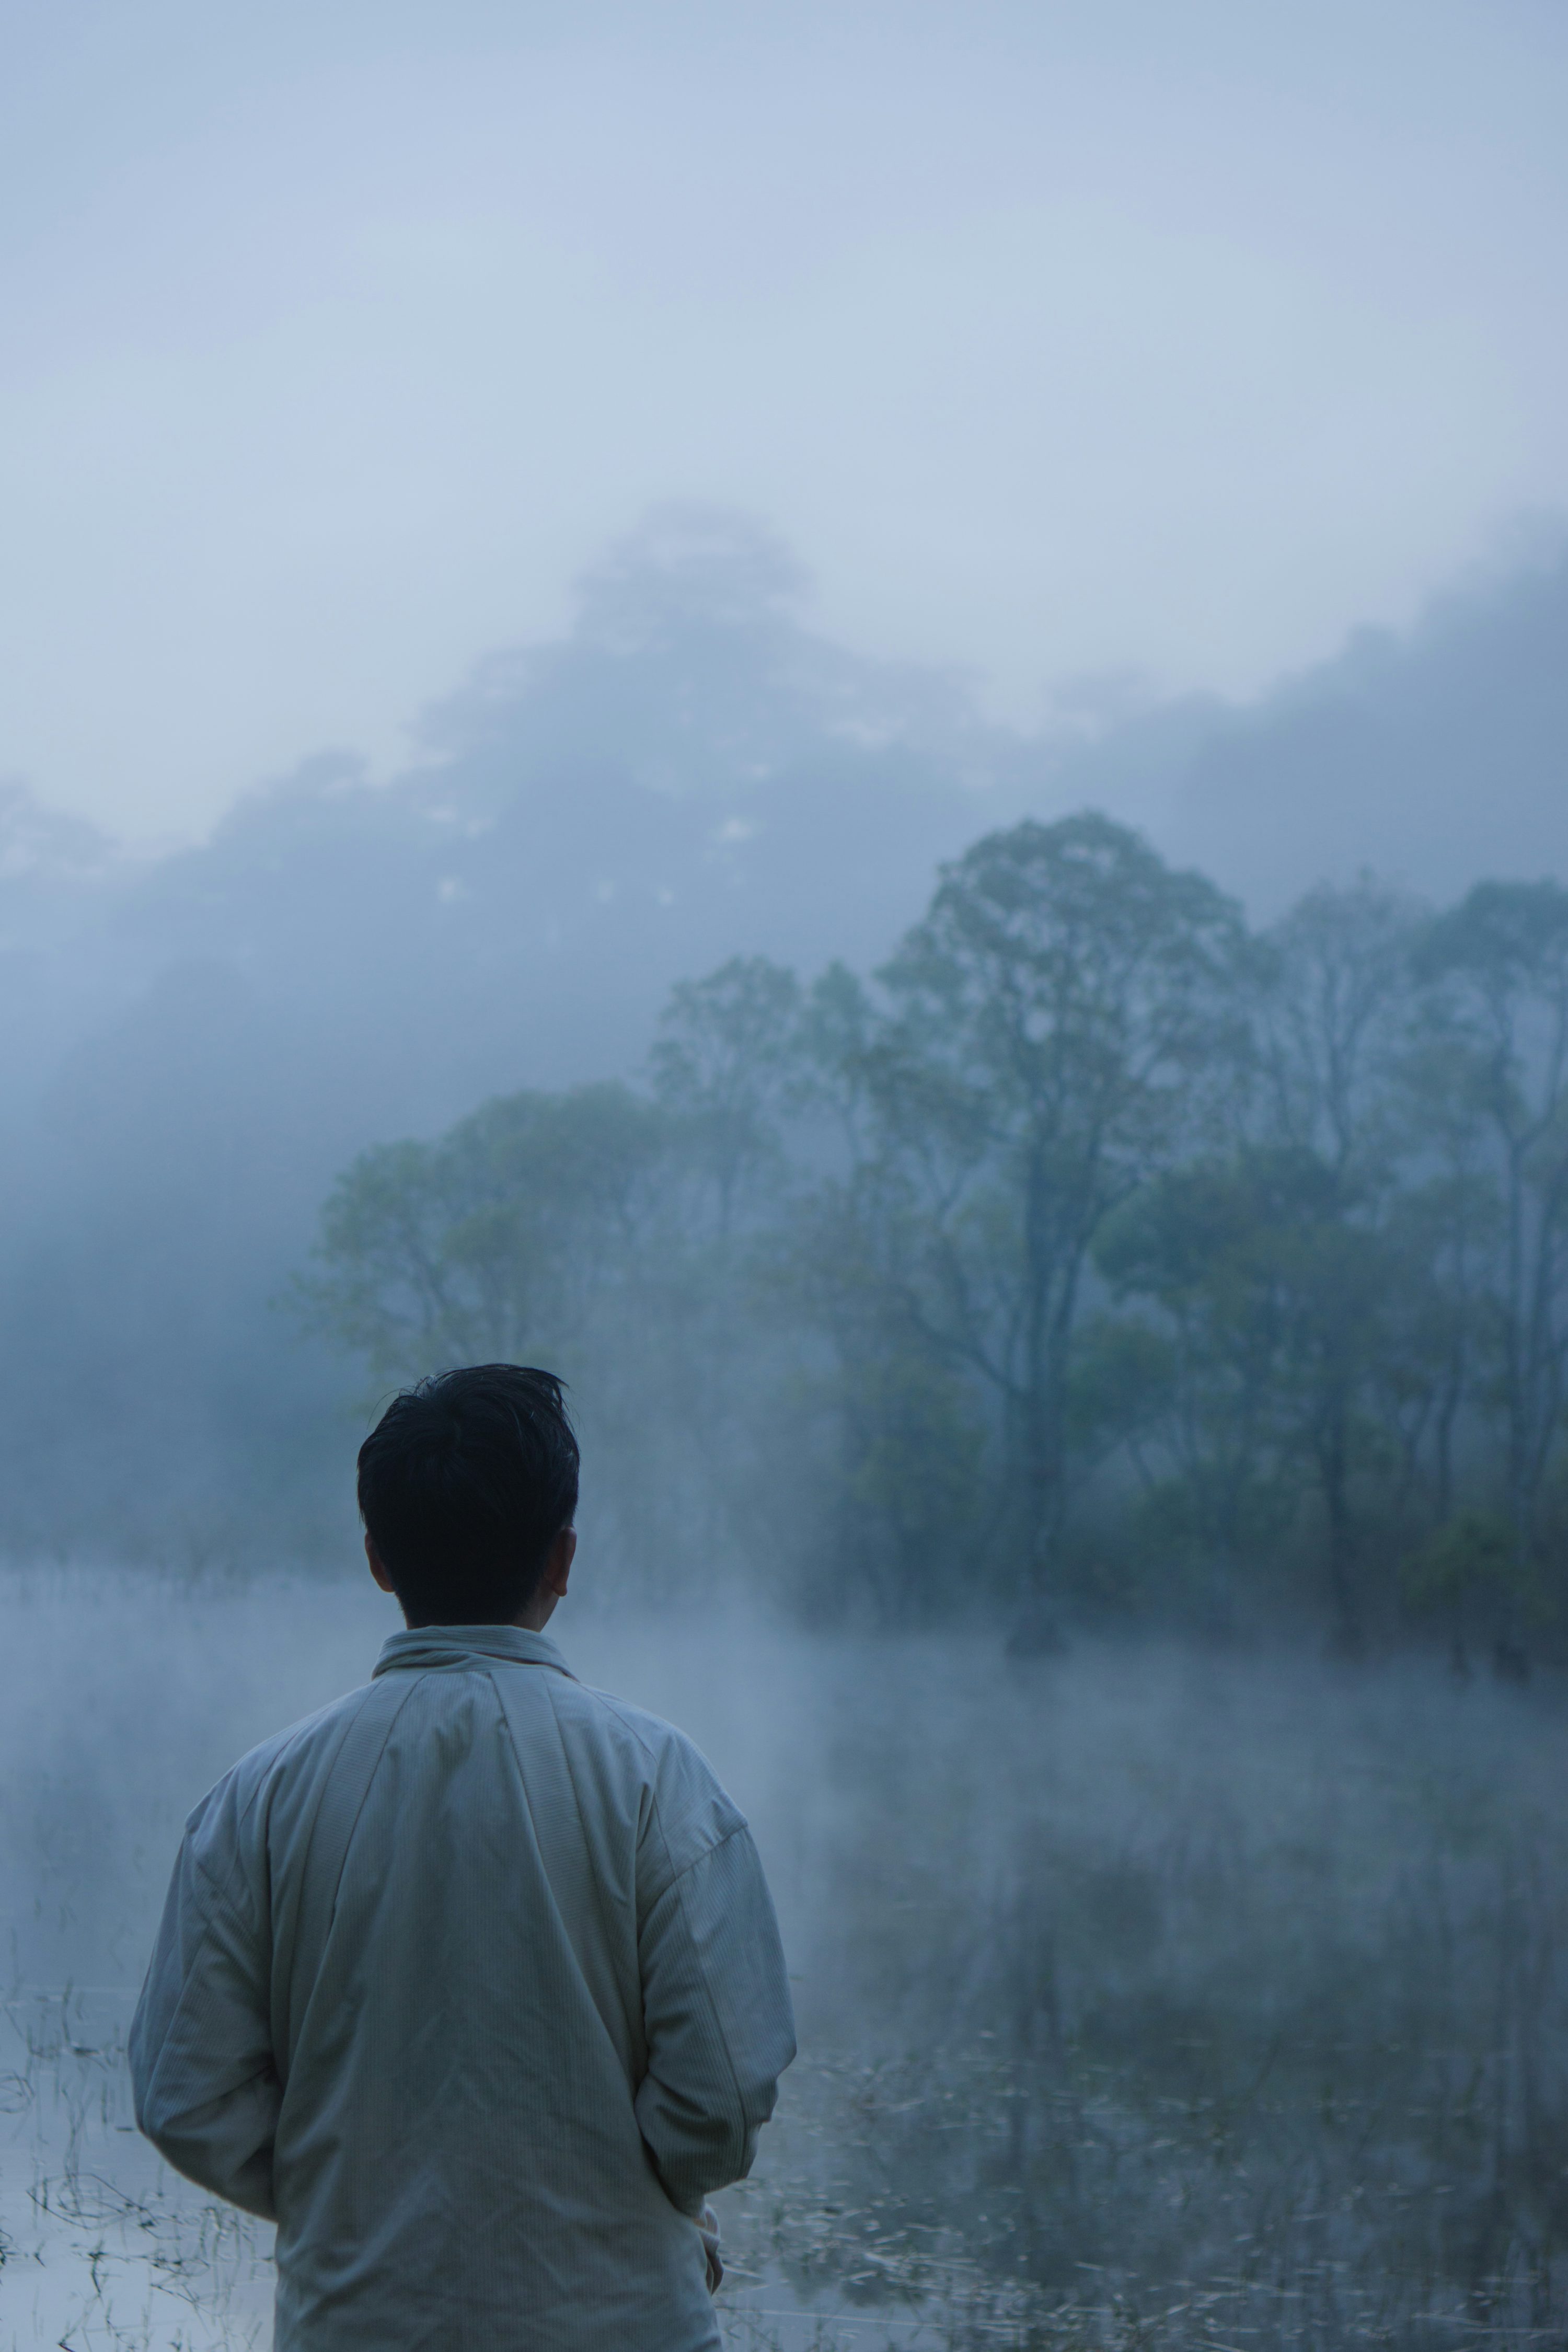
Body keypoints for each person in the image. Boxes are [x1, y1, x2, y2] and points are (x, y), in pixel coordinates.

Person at [129, 1364, 796, 2350]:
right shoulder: (661, 1783)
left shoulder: (259, 1797)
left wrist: (351, 2197)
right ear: (563, 1559)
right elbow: (725, 2096)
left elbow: (184, 2094)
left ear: (377, 1560)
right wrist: (637, 2185)